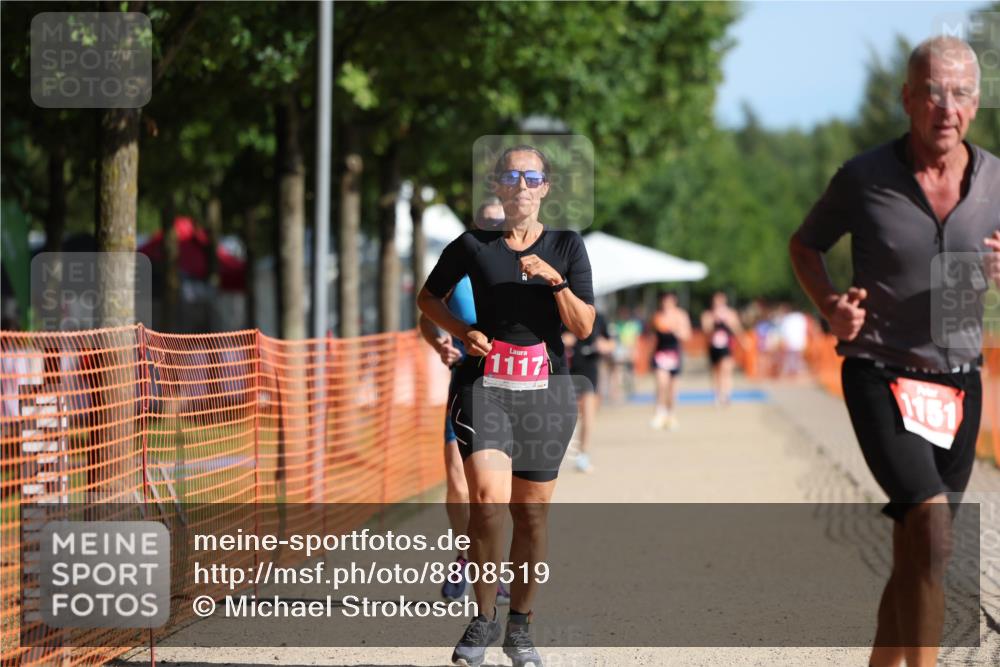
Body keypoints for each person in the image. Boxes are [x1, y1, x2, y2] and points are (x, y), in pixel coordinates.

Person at [789, 36, 1000, 667]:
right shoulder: (864, 177)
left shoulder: (996, 180)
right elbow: (805, 246)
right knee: (931, 529)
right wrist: (831, 304)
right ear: (907, 99)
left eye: (960, 93)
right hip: (879, 370)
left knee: (918, 551)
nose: (946, 107)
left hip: (959, 379)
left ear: (977, 102)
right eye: (932, 92)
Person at [417, 144, 595, 667]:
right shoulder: (474, 245)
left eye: (532, 177)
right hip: (486, 389)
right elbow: (428, 298)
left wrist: (555, 281)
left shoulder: (567, 246)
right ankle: (482, 618)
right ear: (496, 184)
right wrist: (462, 330)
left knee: (531, 516)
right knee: (487, 504)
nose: (521, 186)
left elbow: (583, 326)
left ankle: (520, 627)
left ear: (546, 188)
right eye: (512, 176)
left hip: (547, 393)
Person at [417, 196, 510, 605]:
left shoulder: (517, 265)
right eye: (485, 221)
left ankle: (494, 565)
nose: (491, 229)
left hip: (509, 384)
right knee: (457, 481)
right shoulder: (457, 266)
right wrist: (439, 343)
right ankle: (465, 556)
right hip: (465, 380)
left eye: (498, 222)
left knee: (495, 486)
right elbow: (426, 316)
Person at [563, 311, 614, 472]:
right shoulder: (563, 312)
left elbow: (611, 343)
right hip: (565, 368)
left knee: (588, 413)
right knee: (566, 415)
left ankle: (583, 455)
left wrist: (604, 346)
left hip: (588, 369)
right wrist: (563, 340)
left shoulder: (599, 317)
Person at [648, 291, 691, 430]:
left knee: (672, 389)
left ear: (674, 301)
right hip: (660, 353)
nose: (666, 303)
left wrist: (675, 330)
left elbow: (687, 335)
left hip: (674, 354)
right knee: (662, 383)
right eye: (664, 301)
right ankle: (660, 413)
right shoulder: (657, 316)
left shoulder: (681, 315)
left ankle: (671, 415)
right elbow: (652, 336)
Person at [701, 292, 742, 406]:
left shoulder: (731, 314)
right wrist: (714, 320)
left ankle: (726, 394)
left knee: (726, 369)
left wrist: (727, 321)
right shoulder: (708, 314)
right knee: (716, 371)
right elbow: (706, 330)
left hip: (727, 346)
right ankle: (717, 395)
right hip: (713, 347)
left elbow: (737, 329)